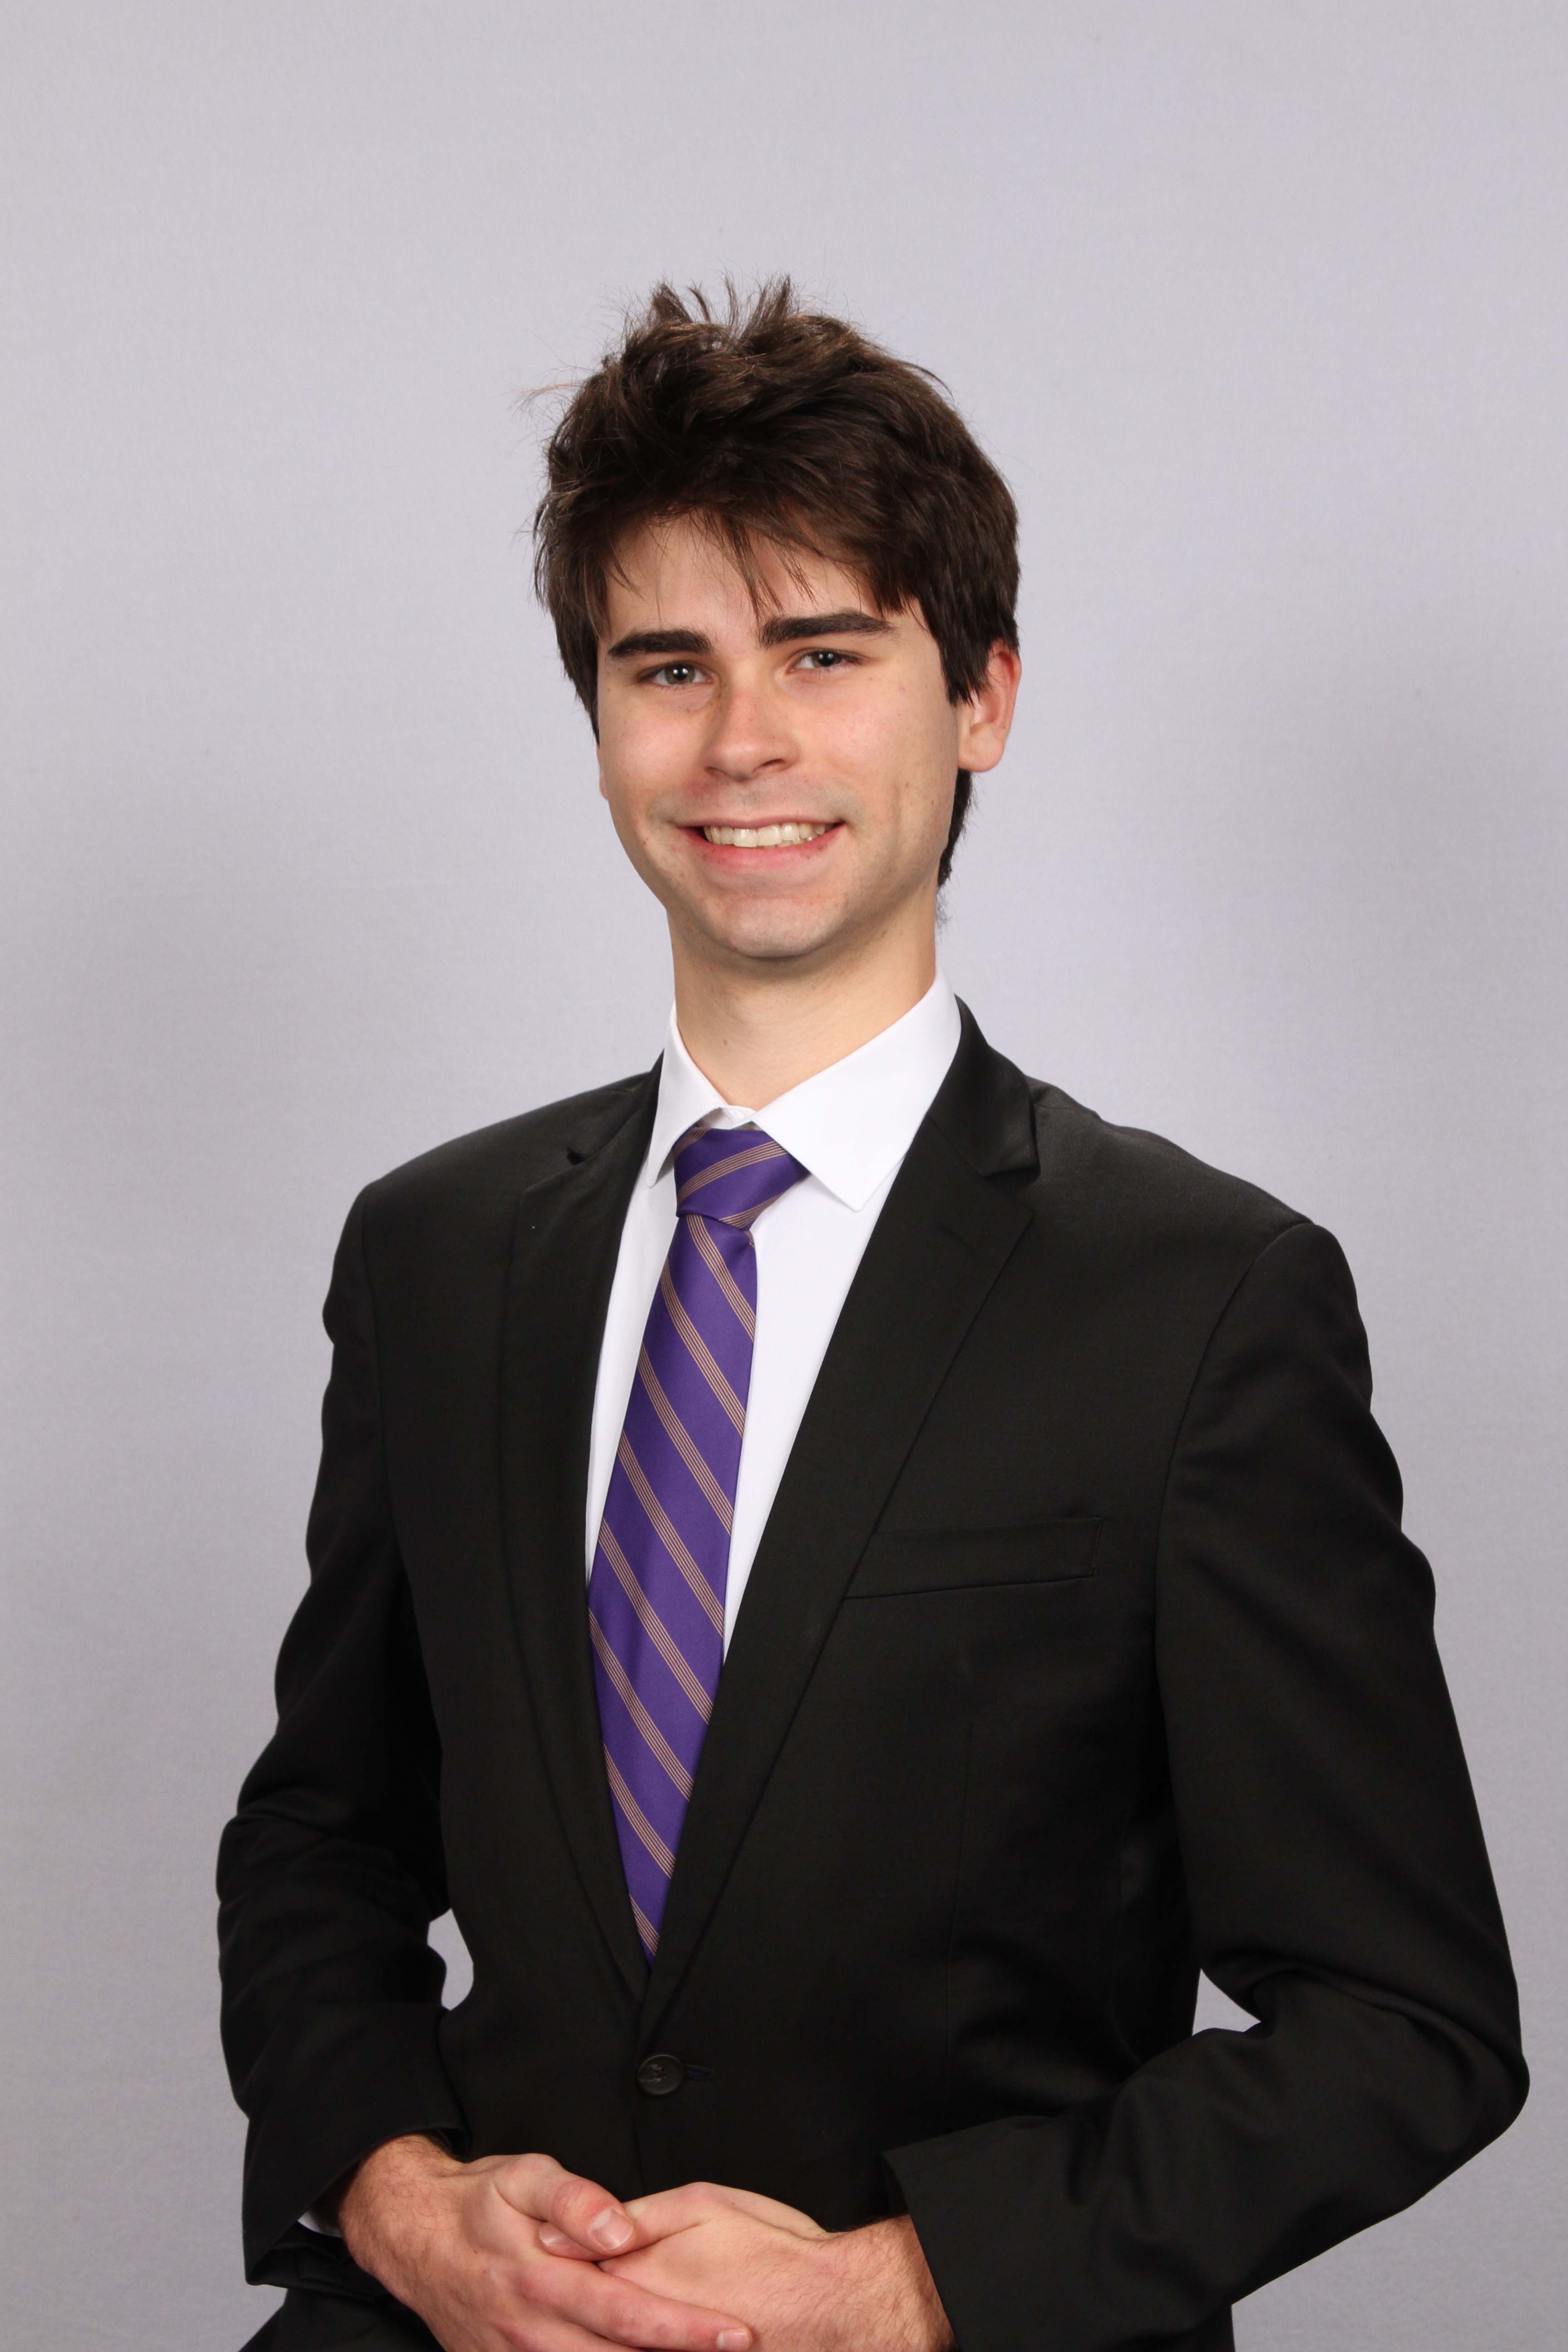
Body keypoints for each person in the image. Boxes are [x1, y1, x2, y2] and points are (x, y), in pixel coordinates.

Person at [218, 282, 1525, 2352]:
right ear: (599, 720)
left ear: (982, 697)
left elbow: (1406, 2022)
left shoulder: (1203, 1300)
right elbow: (322, 1837)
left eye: (825, 654)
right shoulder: (436, 1253)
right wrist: (397, 2199)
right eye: (670, 666)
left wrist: (896, 2287)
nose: (742, 740)